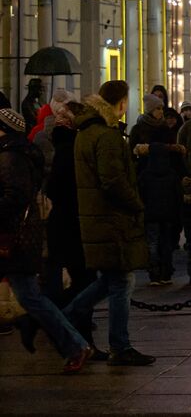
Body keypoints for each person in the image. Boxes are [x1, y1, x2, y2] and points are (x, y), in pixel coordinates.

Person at [62, 81, 155, 365]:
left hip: (97, 217)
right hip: (112, 219)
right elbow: (113, 180)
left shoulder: (86, 132)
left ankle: (64, 319)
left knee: (112, 280)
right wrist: (137, 204)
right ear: (121, 103)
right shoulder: (107, 135)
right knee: (122, 280)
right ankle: (119, 345)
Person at [0, 106, 95, 372]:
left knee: (31, 297)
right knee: (31, 296)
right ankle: (75, 345)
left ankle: (75, 345)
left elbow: (14, 196)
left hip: (13, 237)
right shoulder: (17, 152)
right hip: (19, 235)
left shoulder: (10, 156)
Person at [131, 94, 184, 285]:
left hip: (160, 185)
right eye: (158, 108)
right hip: (151, 182)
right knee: (156, 237)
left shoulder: (165, 129)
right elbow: (132, 152)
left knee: (161, 237)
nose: (161, 112)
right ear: (149, 110)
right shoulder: (140, 128)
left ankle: (163, 271)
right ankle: (157, 271)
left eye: (161, 108)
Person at [42, 98, 90, 308]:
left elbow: (55, 186)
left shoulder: (65, 146)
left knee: (67, 272)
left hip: (65, 218)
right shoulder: (72, 146)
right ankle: (66, 316)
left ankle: (60, 316)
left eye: (62, 115)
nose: (58, 119)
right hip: (72, 218)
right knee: (81, 275)